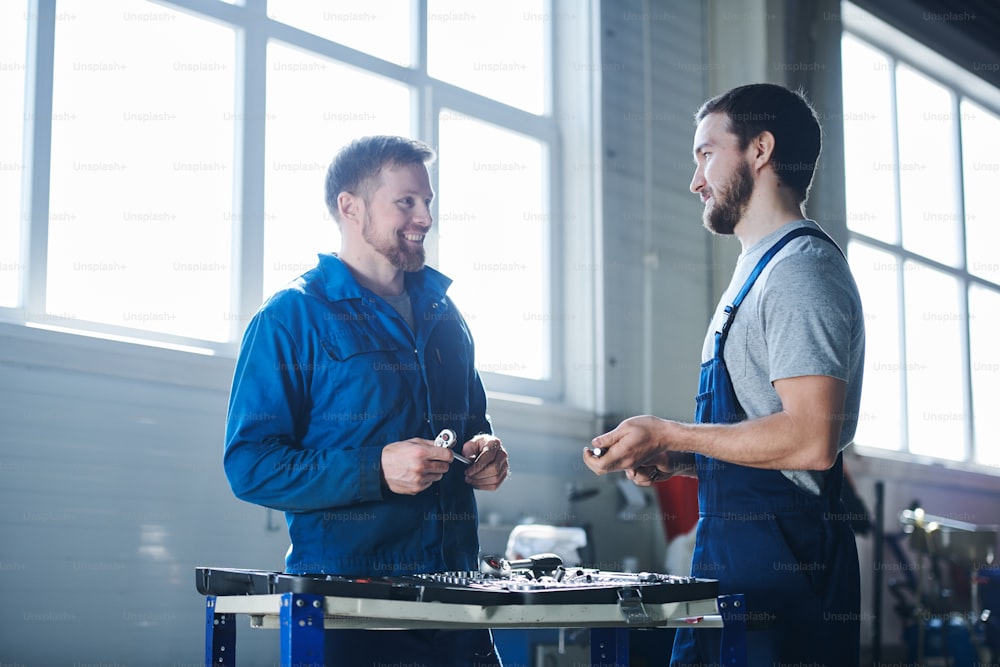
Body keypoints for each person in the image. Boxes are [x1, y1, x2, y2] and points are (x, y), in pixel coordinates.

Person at [583, 83, 866, 666]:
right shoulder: (756, 274)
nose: (695, 181)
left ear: (759, 150)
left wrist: (671, 433)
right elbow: (770, 435)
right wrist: (683, 460)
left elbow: (811, 440)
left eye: (706, 154)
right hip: (731, 575)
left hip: (785, 581)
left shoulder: (799, 271)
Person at [224, 135, 509, 667]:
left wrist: (487, 451)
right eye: (406, 201)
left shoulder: (446, 317)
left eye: (428, 201)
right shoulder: (291, 318)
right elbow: (250, 466)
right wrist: (373, 469)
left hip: (460, 598)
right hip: (352, 606)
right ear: (349, 207)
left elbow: (472, 425)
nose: (425, 217)